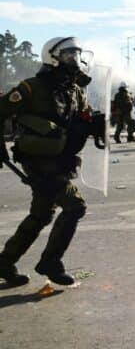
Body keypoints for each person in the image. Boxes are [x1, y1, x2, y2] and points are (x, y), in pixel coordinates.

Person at [0, 37, 104, 287]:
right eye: (69, 55)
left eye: (77, 55)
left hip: (60, 159)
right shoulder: (31, 87)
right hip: (38, 160)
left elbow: (79, 121)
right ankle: (50, 262)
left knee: (41, 214)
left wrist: (95, 124)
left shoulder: (75, 90)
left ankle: (4, 262)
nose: (75, 60)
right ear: (52, 57)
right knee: (75, 206)